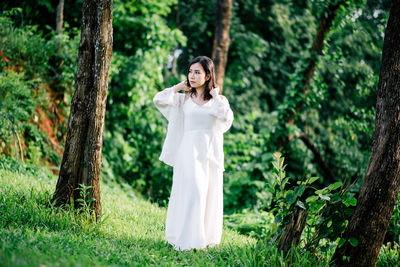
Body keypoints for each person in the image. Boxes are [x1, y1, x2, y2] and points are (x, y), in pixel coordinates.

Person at [153, 56, 234, 251]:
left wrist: (215, 96)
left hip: (207, 154)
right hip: (187, 151)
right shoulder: (184, 99)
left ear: (208, 76)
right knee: (191, 192)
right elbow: (158, 99)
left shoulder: (218, 101)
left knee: (204, 194)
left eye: (197, 72)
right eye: (190, 72)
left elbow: (226, 118)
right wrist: (178, 87)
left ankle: (200, 240)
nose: (192, 76)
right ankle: (185, 240)